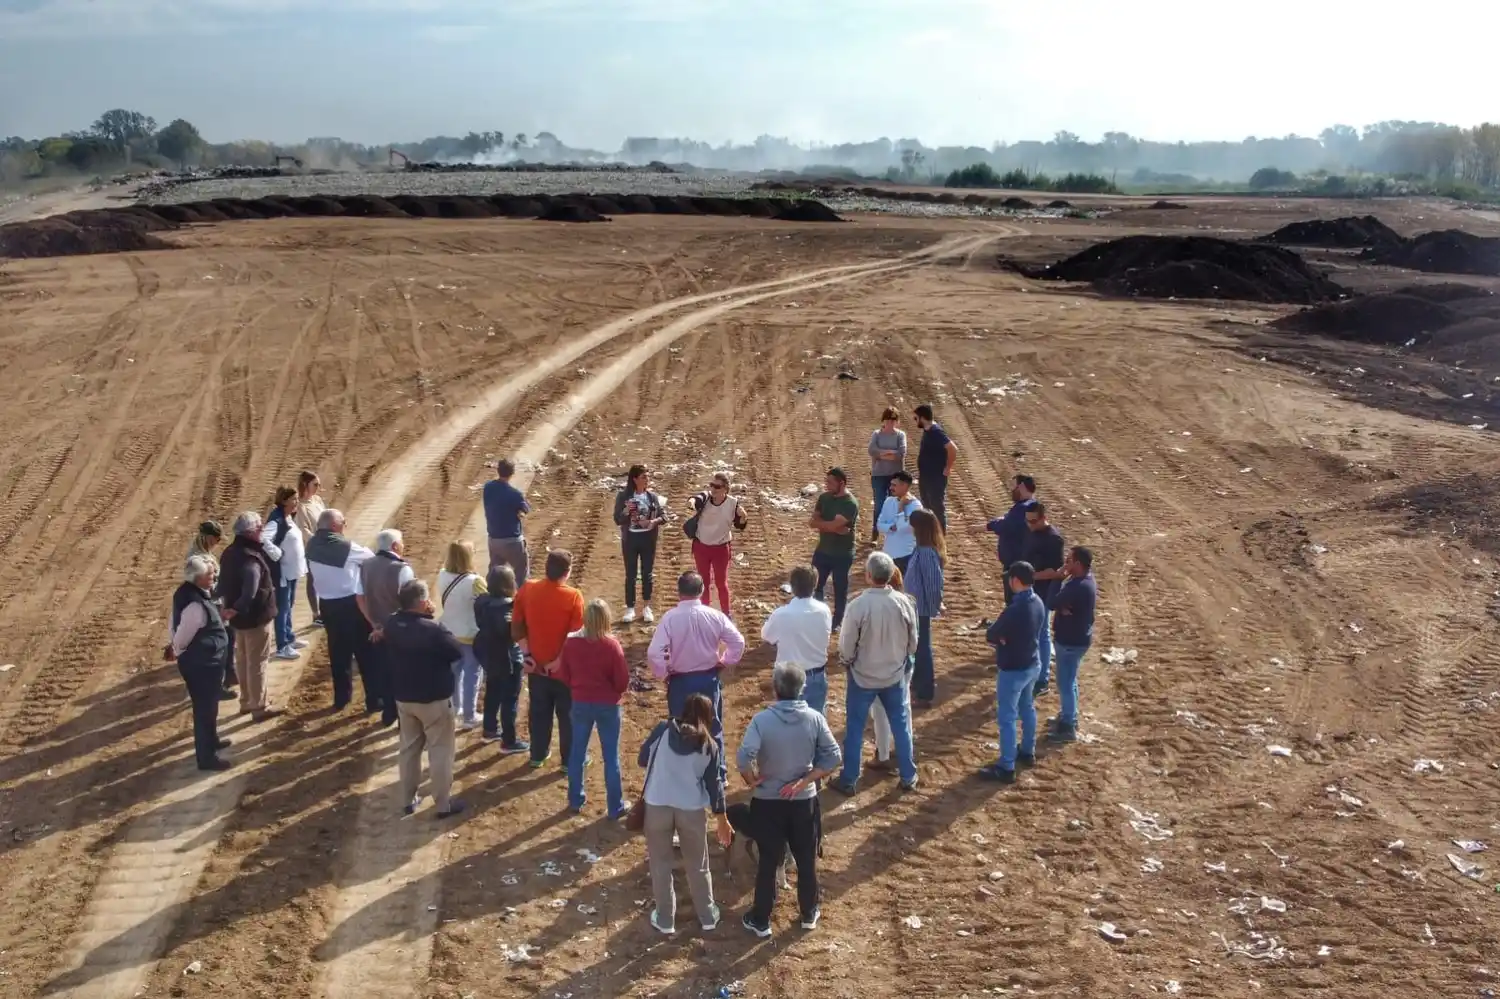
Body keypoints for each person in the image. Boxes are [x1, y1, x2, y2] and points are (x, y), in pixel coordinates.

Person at [736, 663, 842, 938]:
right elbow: (833, 756)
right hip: (802, 801)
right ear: (802, 690)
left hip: (767, 801)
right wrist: (806, 781)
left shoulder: (762, 720)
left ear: (775, 688)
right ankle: (808, 912)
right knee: (806, 859)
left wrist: (751, 780)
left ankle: (761, 918)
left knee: (769, 860)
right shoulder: (815, 718)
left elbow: (743, 757)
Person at [639, 693, 732, 935]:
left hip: (657, 804)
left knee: (660, 864)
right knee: (698, 864)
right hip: (691, 809)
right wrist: (722, 818)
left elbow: (641, 758)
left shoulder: (662, 729)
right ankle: (707, 915)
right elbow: (715, 786)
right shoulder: (709, 745)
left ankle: (665, 919)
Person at [831, 552, 918, 794]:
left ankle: (848, 779)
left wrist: (847, 661)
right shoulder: (904, 602)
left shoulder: (858, 605)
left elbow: (847, 643)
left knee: (855, 728)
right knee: (901, 726)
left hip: (863, 676)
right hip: (894, 674)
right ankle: (908, 775)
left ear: (869, 576)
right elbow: (913, 642)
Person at [647, 572, 745, 783]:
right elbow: (737, 642)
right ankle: (718, 774)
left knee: (680, 726)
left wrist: (663, 673)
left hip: (680, 681)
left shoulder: (670, 618)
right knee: (712, 725)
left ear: (678, 591)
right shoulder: (715, 615)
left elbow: (654, 653)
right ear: (702, 591)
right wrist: (724, 661)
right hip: (708, 679)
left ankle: (684, 774)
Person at [383, 579, 466, 817]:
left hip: (404, 698)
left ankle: (408, 800)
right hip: (434, 700)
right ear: (421, 602)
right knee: (440, 751)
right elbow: (455, 652)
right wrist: (433, 619)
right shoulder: (433, 630)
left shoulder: (392, 623)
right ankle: (443, 805)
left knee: (409, 749)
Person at [558, 599, 631, 818]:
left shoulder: (571, 644)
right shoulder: (611, 645)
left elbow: (563, 674)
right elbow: (622, 681)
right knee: (610, 756)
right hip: (608, 705)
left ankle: (575, 799)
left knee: (577, 752)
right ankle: (615, 805)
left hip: (580, 703)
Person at [513, 549, 585, 769]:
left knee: (539, 710)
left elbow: (517, 627)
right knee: (568, 716)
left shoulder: (527, 589)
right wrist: (560, 659)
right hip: (564, 670)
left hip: (536, 666)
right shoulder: (573, 596)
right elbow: (576, 634)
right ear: (568, 571)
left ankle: (537, 754)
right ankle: (569, 761)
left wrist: (526, 655)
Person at [306, 509, 381, 713]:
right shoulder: (345, 546)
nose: (345, 526)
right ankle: (374, 700)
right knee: (366, 653)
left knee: (338, 653)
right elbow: (370, 557)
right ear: (334, 526)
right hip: (351, 605)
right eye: (343, 522)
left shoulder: (311, 544)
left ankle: (341, 698)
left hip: (328, 606)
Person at [980, 562, 1046, 784]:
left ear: (1016, 580)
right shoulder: (1038, 602)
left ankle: (1007, 766)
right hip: (1032, 663)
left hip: (1013, 668)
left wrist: (1001, 638)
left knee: (1007, 717)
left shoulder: (1015, 609)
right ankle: (1028, 751)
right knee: (1027, 707)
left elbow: (991, 634)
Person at [166, 554, 233, 771]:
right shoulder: (195, 605)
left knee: (210, 706)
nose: (214, 576)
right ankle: (206, 758)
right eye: (209, 574)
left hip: (205, 662)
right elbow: (182, 633)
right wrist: (176, 650)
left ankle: (212, 740)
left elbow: (172, 622)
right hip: (201, 665)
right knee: (204, 709)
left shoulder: (189, 594)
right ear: (198, 578)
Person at [217, 511, 283, 722]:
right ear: (251, 532)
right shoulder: (250, 557)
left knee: (243, 659)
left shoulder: (228, 553)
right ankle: (259, 705)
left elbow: (223, 583)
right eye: (259, 528)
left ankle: (246, 701)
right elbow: (251, 588)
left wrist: (229, 609)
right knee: (258, 662)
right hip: (255, 618)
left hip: (239, 620)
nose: (262, 530)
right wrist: (237, 607)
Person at [359, 528, 415, 727]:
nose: (404, 545)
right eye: (402, 542)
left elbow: (360, 597)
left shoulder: (365, 565)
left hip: (376, 630)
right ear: (394, 546)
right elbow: (411, 603)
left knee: (384, 671)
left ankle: (389, 713)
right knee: (404, 674)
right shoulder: (402, 569)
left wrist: (374, 624)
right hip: (400, 630)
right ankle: (403, 718)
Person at [760, 565, 833, 716]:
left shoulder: (781, 614)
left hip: (788, 679)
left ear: (792, 587)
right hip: (816, 675)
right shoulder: (824, 610)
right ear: (815, 584)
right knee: (816, 724)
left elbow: (766, 635)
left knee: (787, 724)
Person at [473, 565, 529, 754]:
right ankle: (509, 741)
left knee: (493, 690)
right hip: (508, 658)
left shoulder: (481, 601)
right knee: (510, 700)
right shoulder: (509, 607)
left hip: (488, 653)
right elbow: (514, 633)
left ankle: (489, 729)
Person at [1047, 547, 1097, 743]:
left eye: (1069, 560)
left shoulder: (1077, 587)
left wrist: (1057, 579)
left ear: (1078, 564)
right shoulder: (1086, 581)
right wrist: (1062, 606)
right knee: (1071, 680)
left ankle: (1068, 726)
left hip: (1069, 641)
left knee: (1065, 683)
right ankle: (1070, 716)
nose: (1065, 564)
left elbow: (1051, 602)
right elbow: (1058, 604)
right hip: (1078, 639)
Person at [438, 540, 487, 729]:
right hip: (470, 635)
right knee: (472, 675)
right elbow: (484, 606)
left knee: (454, 673)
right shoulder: (475, 582)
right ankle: (469, 716)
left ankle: (454, 708)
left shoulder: (443, 575)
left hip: (449, 632)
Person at [185, 519, 236, 699]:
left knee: (228, 637)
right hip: (208, 606)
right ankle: (216, 686)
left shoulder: (202, 552)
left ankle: (227, 675)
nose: (218, 543)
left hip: (214, 604)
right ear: (207, 538)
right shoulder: (197, 559)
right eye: (216, 539)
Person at [1020, 502, 1065, 698]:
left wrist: (1031, 577)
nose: (1029, 524)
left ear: (1043, 517)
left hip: (1044, 592)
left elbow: (1056, 572)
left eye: (1033, 520)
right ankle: (1032, 672)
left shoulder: (1054, 539)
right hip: (1029, 589)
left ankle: (1042, 679)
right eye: (1027, 520)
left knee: (1042, 634)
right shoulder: (1032, 531)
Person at [903, 509, 946, 709]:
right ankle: (918, 685)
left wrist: (936, 605)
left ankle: (924, 692)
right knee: (917, 647)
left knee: (921, 648)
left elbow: (932, 583)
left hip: (920, 608)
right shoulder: (921, 549)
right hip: (915, 606)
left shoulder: (927, 552)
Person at [688, 472, 747, 615]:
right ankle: (705, 614)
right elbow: (696, 498)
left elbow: (740, 525)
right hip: (701, 547)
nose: (713, 489)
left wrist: (744, 517)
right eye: (712, 485)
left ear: (726, 489)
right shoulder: (706, 498)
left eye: (717, 486)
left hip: (721, 549)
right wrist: (691, 502)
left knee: (721, 583)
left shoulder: (733, 503)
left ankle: (726, 614)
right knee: (704, 583)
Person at [613, 464, 666, 623]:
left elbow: (664, 516)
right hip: (631, 540)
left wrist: (653, 522)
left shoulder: (652, 497)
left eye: (647, 476)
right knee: (630, 574)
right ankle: (630, 608)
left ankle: (646, 607)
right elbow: (617, 519)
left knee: (647, 574)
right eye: (643, 477)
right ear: (635, 479)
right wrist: (626, 511)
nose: (647, 479)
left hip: (648, 540)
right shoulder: (623, 496)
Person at [808, 467, 858, 631]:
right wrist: (831, 527)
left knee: (840, 588)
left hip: (842, 554)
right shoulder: (824, 498)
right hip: (823, 550)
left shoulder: (850, 503)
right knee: (815, 586)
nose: (826, 485)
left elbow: (828, 524)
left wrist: (824, 525)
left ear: (841, 483)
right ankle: (818, 617)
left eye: (830, 482)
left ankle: (837, 621)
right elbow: (812, 522)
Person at [265, 486, 308, 662]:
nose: (296, 502)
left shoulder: (288, 517)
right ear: (284, 501)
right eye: (294, 499)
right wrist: (277, 554)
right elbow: (262, 539)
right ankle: (282, 646)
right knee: (282, 608)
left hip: (292, 571)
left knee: (289, 604)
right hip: (281, 572)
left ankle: (289, 637)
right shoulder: (275, 520)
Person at [981, 475, 1037, 605]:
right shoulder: (1029, 506)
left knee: (1013, 600)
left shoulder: (1023, 508)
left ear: (1022, 487)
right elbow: (1006, 520)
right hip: (1020, 560)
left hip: (1016, 562)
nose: (1011, 490)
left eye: (1014, 486)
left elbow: (1006, 525)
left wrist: (986, 527)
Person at [483, 458, 531, 582]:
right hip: (512, 541)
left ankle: (492, 597)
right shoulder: (515, 494)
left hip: (493, 540)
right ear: (512, 473)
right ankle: (521, 599)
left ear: (498, 471)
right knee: (521, 573)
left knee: (495, 575)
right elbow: (524, 509)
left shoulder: (488, 488)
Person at [912, 404, 956, 531]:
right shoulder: (928, 430)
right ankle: (931, 536)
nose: (916, 422)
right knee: (927, 508)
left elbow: (952, 448)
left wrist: (948, 468)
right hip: (926, 477)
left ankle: (940, 538)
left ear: (922, 418)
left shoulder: (936, 431)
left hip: (935, 478)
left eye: (916, 419)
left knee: (936, 508)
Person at [868, 407, 907, 541]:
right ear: (883, 420)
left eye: (893, 420)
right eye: (888, 420)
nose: (890, 423)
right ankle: (875, 533)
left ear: (897, 421)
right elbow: (872, 450)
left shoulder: (900, 435)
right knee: (879, 504)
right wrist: (890, 453)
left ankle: (893, 534)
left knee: (895, 505)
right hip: (879, 475)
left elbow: (901, 454)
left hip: (895, 477)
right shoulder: (877, 434)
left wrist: (882, 454)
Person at [293, 471, 326, 626]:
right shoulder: (299, 506)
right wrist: (317, 540)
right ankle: (316, 613)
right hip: (312, 547)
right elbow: (302, 529)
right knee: (313, 580)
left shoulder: (317, 500)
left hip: (324, 543)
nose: (318, 487)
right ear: (305, 485)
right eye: (315, 484)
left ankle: (325, 609)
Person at [876, 470, 923, 575]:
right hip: (888, 555)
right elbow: (879, 525)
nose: (890, 488)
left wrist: (901, 507)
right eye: (891, 484)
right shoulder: (889, 501)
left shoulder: (916, 506)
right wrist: (891, 527)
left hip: (906, 555)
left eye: (894, 485)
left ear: (905, 486)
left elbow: (903, 528)